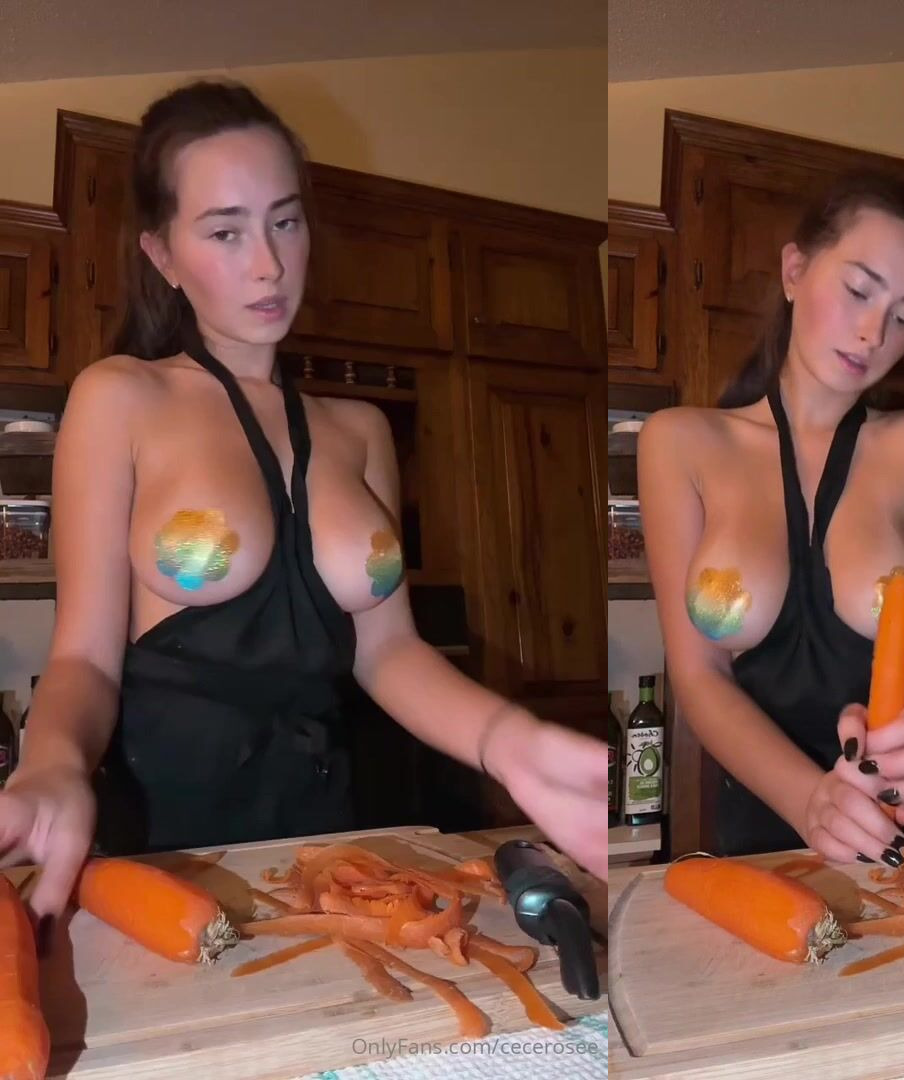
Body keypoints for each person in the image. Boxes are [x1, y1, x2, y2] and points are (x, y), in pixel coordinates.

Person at [0, 80, 611, 924]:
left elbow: (387, 652)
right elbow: (85, 660)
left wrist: (513, 742)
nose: (269, 263)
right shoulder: (120, 397)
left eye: (285, 222)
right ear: (163, 255)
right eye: (226, 231)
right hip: (167, 860)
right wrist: (52, 765)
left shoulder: (359, 430)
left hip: (328, 849)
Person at [638, 169, 904, 864]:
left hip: (903, 828)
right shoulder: (678, 442)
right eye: (859, 290)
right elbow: (698, 675)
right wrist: (810, 801)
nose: (874, 332)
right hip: (761, 845)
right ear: (795, 270)